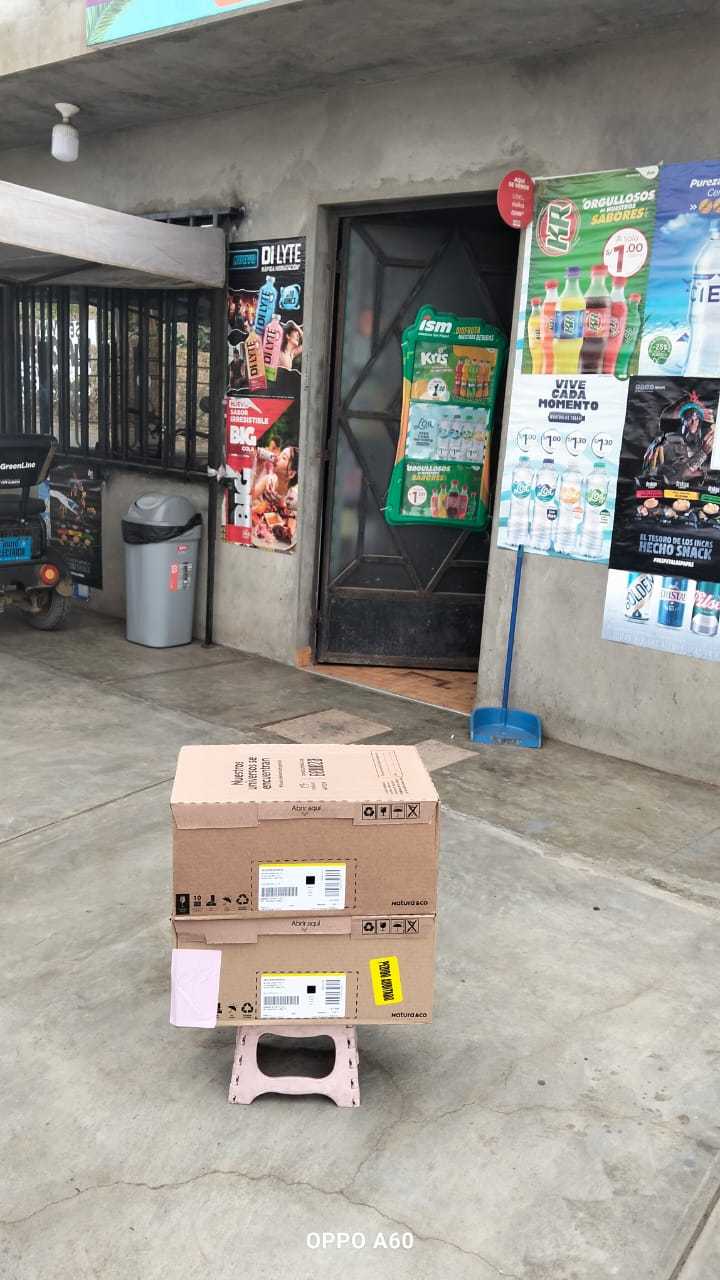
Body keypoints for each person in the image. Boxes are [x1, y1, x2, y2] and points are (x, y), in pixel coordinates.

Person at [642, 397, 715, 483]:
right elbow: (677, 476)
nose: (694, 422)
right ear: (682, 420)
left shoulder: (688, 442)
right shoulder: (670, 442)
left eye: (696, 419)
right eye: (689, 418)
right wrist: (703, 453)